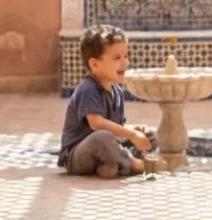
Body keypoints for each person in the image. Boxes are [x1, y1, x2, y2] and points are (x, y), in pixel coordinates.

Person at [58, 24, 152, 178]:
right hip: (78, 156)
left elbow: (117, 127)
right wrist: (132, 135)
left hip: (106, 146)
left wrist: (135, 131)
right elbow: (97, 123)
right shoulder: (88, 88)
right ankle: (135, 164)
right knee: (103, 138)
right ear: (94, 64)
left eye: (125, 56)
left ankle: (109, 165)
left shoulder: (117, 92)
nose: (125, 63)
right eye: (117, 58)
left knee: (149, 134)